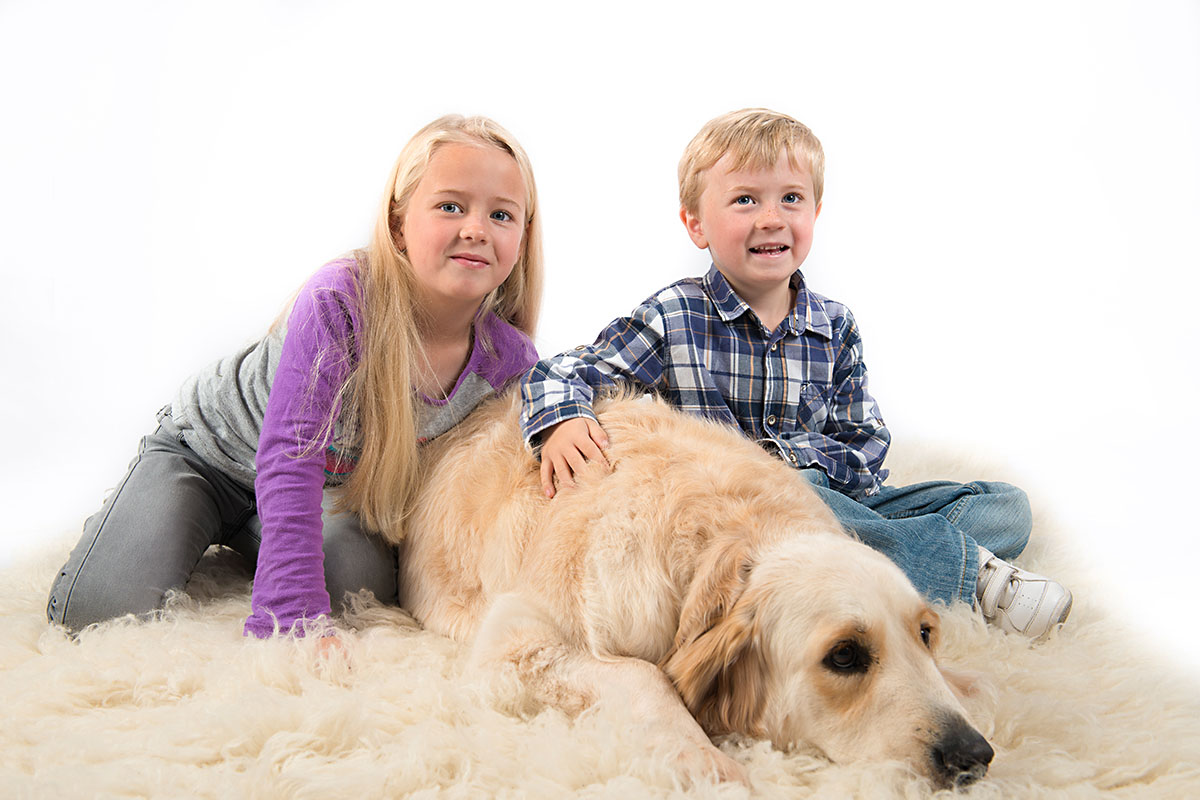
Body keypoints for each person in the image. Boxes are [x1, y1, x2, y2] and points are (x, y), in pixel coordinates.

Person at [520, 108, 1071, 640]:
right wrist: (562, 420)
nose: (771, 218)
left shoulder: (834, 325)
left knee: (1007, 510)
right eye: (745, 200)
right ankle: (974, 578)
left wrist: (800, 469)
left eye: (791, 198)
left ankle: (871, 549)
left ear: (815, 212)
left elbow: (865, 446)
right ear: (696, 224)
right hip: (731, 520)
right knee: (794, 493)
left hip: (829, 501)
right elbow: (559, 371)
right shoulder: (672, 315)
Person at [48, 114, 542, 641]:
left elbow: (535, 425)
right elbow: (291, 454)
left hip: (326, 489)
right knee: (98, 615)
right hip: (209, 456)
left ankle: (261, 541)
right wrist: (289, 611)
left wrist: (564, 424)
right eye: (450, 206)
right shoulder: (342, 299)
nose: (476, 229)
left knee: (362, 584)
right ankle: (152, 511)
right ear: (399, 225)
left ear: (522, 238)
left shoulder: (506, 359)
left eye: (501, 215)